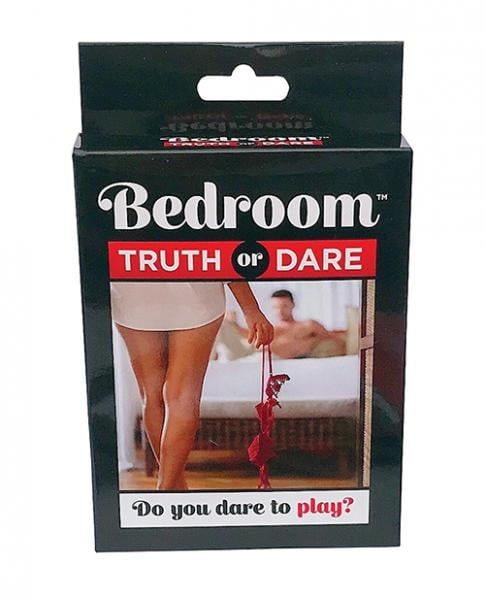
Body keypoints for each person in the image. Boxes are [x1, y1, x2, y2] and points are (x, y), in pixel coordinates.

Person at [111, 281, 273, 490]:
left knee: (152, 396)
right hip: (194, 293)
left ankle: (172, 488)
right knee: (182, 396)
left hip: (133, 294)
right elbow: (226, 259)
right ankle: (169, 488)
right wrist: (251, 309)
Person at [227, 289, 336, 359]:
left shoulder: (308, 325)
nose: (280, 311)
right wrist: (234, 324)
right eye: (275, 307)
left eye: (284, 306)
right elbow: (248, 337)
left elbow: (331, 337)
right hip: (260, 357)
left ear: (293, 304)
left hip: (284, 359)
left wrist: (311, 342)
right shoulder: (270, 328)